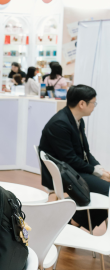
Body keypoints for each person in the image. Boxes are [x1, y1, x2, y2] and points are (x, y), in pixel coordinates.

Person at [39, 85, 109, 230]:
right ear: (82, 104)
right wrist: (96, 173)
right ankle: (76, 221)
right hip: (62, 174)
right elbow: (70, 159)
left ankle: (76, 221)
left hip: (71, 170)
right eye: (93, 103)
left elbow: (86, 152)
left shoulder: (77, 120)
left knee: (105, 185)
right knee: (107, 190)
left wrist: (99, 169)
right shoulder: (60, 124)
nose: (94, 107)